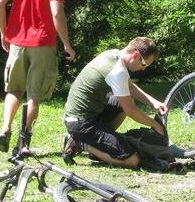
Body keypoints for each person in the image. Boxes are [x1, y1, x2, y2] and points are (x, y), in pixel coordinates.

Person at [0, 0, 76, 153]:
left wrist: (4, 33)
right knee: (34, 96)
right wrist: (67, 44)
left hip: (17, 43)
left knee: (14, 90)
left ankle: (5, 128)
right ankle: (22, 143)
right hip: (42, 43)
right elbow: (56, 12)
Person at [61, 37, 168, 168]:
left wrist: (154, 102)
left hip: (90, 114)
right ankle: (79, 143)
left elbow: (129, 87)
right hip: (81, 123)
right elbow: (130, 111)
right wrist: (155, 125)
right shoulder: (117, 71)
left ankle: (102, 148)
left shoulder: (112, 54)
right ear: (136, 55)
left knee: (124, 99)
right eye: (144, 64)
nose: (143, 69)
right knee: (132, 160)